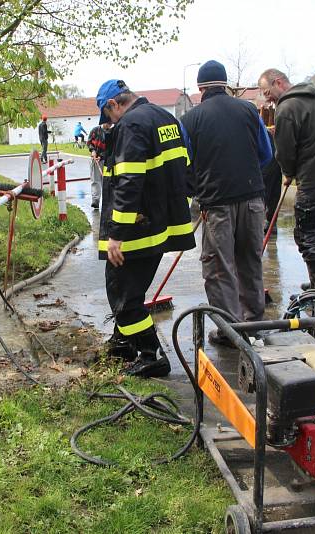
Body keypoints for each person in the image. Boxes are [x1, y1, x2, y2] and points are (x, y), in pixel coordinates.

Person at [95, 79, 195, 377]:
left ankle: (151, 354)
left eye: (107, 114)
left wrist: (116, 235)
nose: (109, 122)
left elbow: (128, 182)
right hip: (158, 224)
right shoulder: (165, 118)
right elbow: (187, 169)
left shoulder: (131, 126)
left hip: (135, 232)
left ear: (113, 104)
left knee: (123, 297)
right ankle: (123, 343)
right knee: (130, 288)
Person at [180, 60, 272, 347]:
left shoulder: (190, 120)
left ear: (200, 88)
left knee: (219, 268)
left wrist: (198, 190)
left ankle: (230, 330)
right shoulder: (247, 109)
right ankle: (254, 323)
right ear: (225, 84)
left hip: (217, 203)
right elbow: (266, 154)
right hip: (253, 199)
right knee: (250, 260)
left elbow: (187, 165)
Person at [258, 68, 315, 296]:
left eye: (266, 91)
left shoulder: (287, 108)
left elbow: (285, 151)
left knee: (307, 235)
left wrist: (288, 172)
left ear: (278, 82)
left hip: (314, 179)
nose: (266, 97)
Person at [262, 128, 283, 237]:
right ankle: (271, 223)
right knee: (272, 193)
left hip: (267, 162)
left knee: (264, 195)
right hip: (273, 159)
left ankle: (269, 223)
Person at [86, 123, 109, 209]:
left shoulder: (111, 132)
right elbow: (89, 142)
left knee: (106, 180)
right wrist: (92, 150)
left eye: (110, 124)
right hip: (94, 159)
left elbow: (111, 148)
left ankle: (107, 200)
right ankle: (95, 200)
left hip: (106, 159)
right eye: (107, 123)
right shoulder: (95, 130)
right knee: (95, 180)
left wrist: (102, 156)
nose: (109, 125)